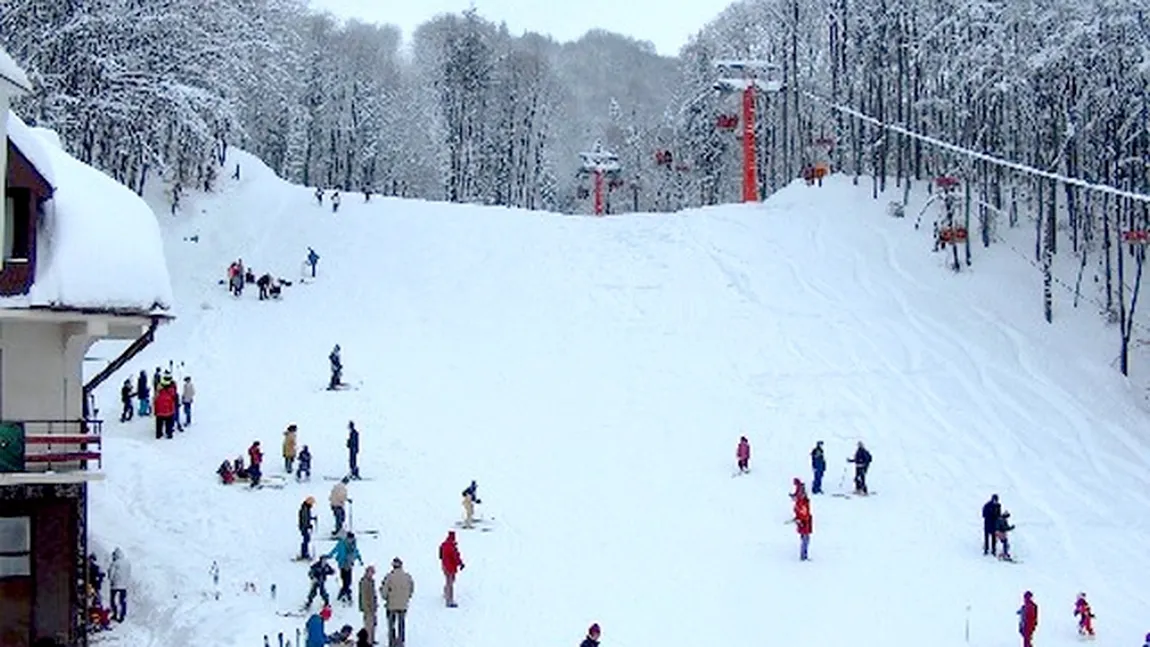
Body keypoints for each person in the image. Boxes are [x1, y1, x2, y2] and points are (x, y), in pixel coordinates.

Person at [381, 557, 414, 647]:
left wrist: (385, 598)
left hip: (391, 604)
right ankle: (401, 641)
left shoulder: (389, 577)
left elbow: (384, 591)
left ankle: (392, 642)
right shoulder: (407, 576)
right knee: (401, 623)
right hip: (403, 604)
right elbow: (411, 589)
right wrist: (407, 597)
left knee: (391, 624)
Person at [326, 532, 363, 604]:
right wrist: (329, 556)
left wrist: (360, 559)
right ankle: (345, 594)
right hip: (342, 564)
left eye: (352, 539)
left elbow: (356, 552)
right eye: (350, 539)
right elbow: (335, 550)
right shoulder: (341, 544)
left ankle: (344, 593)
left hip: (349, 564)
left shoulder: (353, 545)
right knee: (344, 579)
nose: (351, 540)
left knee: (348, 580)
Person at [438, 531, 464, 607]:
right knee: (450, 583)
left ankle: (446, 593)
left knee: (448, 581)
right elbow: (456, 557)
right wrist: (461, 564)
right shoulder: (452, 547)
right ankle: (449, 601)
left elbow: (440, 555)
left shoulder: (443, 545)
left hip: (444, 566)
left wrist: (444, 561)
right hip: (450, 568)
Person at [153, 371, 178, 439]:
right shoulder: (172, 388)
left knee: (159, 423)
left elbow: (155, 399)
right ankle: (169, 434)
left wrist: (155, 410)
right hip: (169, 409)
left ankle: (158, 434)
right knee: (169, 423)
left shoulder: (159, 388)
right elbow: (174, 397)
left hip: (159, 410)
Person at [358, 565, 378, 646]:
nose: (372, 574)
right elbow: (363, 596)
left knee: (373, 624)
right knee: (368, 625)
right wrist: (366, 608)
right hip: (368, 608)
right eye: (371, 572)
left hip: (372, 607)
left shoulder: (371, 581)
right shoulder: (364, 582)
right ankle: (368, 642)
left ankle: (372, 640)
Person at [108, 548, 130, 622]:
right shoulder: (127, 563)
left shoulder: (115, 563)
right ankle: (122, 616)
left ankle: (115, 614)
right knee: (122, 601)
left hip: (115, 585)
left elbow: (111, 574)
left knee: (113, 600)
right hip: (124, 585)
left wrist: (111, 580)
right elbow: (128, 574)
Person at [793, 493, 813, 561]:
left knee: (805, 539)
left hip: (805, 523)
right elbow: (802, 513)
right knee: (805, 539)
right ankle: (803, 556)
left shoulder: (802, 503)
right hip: (804, 523)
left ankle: (804, 554)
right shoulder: (800, 504)